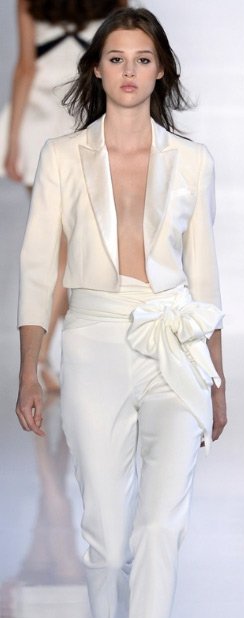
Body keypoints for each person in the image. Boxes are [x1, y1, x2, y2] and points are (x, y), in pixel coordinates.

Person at [15, 7, 226, 618]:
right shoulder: (63, 156)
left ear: (161, 69)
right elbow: (39, 266)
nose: (130, 71)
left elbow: (204, 274)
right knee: (105, 541)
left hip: (174, 346)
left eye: (143, 58)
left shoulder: (192, 161)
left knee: (160, 529)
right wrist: (30, 368)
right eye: (116, 58)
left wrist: (219, 377)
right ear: (97, 69)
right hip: (95, 342)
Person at [1, 0, 126, 391]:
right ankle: (48, 357)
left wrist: (13, 140)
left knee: (54, 249)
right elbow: (118, 68)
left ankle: (47, 356)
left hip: (38, 124)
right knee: (71, 251)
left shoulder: (30, 2)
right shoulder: (115, 2)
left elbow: (26, 67)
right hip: (83, 122)